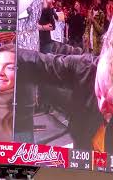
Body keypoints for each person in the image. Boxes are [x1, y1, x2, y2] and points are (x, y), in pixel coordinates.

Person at [16, 18, 113, 152]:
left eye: (111, 102)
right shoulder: (86, 68)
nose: (101, 105)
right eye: (100, 91)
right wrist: (1, 55)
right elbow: (40, 63)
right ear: (103, 53)